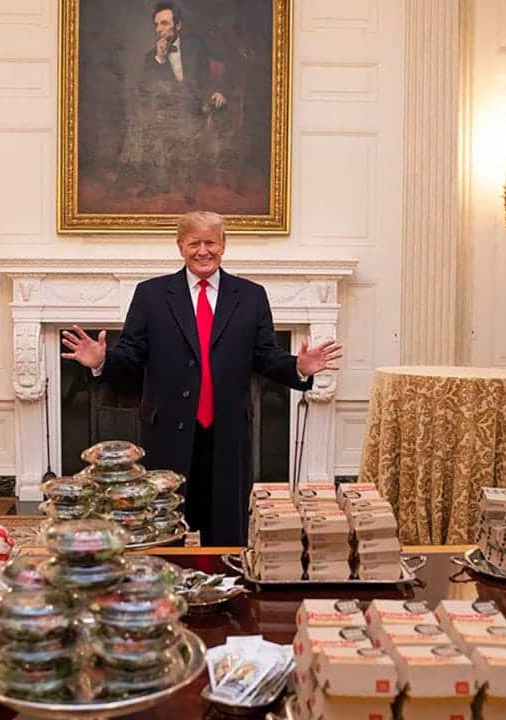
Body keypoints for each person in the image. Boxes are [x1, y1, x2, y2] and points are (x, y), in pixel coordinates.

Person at [61, 211, 342, 545]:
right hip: (167, 432)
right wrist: (103, 361)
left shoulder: (251, 296)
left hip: (228, 433)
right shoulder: (151, 295)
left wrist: (298, 366)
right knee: (164, 530)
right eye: (194, 243)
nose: (203, 251)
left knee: (226, 533)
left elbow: (265, 356)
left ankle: (225, 590)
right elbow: (132, 358)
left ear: (223, 245)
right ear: (181, 246)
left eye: (211, 242)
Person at [114, 1, 227, 204]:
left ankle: (135, 178)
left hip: (193, 110)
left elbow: (206, 78)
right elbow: (146, 89)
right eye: (156, 24)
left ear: (178, 26)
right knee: (142, 122)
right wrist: (160, 58)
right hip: (165, 112)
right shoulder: (152, 57)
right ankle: (155, 182)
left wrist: (216, 92)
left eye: (164, 23)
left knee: (146, 125)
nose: (159, 29)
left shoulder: (195, 47)